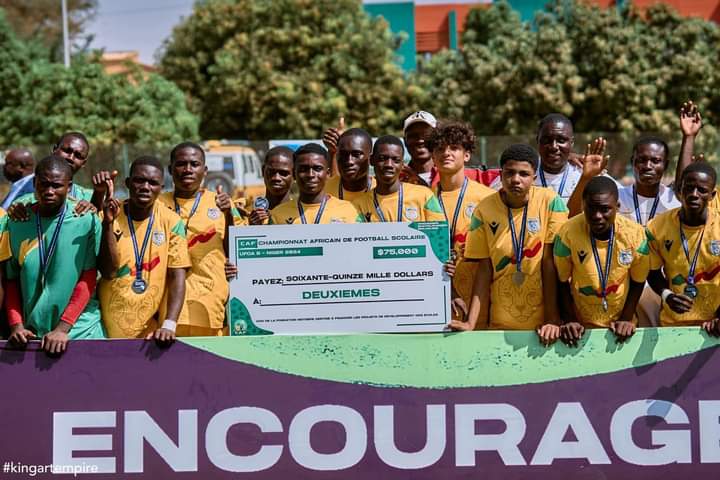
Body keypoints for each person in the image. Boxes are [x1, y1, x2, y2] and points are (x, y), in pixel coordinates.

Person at [455, 144, 568, 344]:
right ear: (501, 174)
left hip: (543, 327)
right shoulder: (483, 210)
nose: (516, 179)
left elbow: (550, 262)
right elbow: (484, 269)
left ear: (534, 177)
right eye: (510, 173)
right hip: (499, 325)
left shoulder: (551, 201)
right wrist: (471, 323)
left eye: (524, 174)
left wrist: (552, 318)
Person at [1, 156, 106, 354]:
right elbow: (11, 280)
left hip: (80, 332)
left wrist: (62, 329)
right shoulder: (16, 221)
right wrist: (16, 325)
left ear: (69, 186)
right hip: (32, 335)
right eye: (44, 184)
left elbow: (88, 278)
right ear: (34, 183)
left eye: (56, 186)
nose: (49, 191)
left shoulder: (85, 220)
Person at [154, 142, 244, 336]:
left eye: (194, 164)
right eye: (181, 164)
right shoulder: (156, 204)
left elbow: (238, 253)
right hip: (165, 312)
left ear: (205, 170)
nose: (188, 169)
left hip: (210, 308)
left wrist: (228, 214)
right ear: (170, 169)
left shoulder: (221, 203)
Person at [98, 156, 190, 344]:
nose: (145, 187)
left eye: (153, 183)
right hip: (103, 330)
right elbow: (108, 272)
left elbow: (177, 276)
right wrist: (108, 224)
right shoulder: (107, 215)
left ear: (161, 188)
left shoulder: (172, 221)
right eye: (139, 180)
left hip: (149, 332)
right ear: (128, 183)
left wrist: (169, 324)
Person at [554, 177, 650, 346]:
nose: (597, 216)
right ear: (583, 205)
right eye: (591, 208)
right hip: (580, 328)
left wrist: (626, 318)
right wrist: (570, 319)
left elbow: (638, 281)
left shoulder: (636, 235)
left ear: (617, 207)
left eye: (605, 209)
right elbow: (561, 281)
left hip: (621, 326)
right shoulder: (567, 233)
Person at [427, 121, 494, 314]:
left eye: (454, 148)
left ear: (467, 155)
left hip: (481, 305)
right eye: (440, 148)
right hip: (437, 305)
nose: (446, 153)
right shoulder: (424, 199)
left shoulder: (486, 198)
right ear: (433, 156)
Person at [647, 162, 720, 335]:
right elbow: (653, 272)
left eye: (702, 190)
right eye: (689, 188)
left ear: (712, 195)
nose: (694, 195)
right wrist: (667, 296)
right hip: (673, 325)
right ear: (680, 190)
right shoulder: (656, 227)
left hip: (714, 325)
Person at [491, 114, 609, 218]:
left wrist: (587, 178)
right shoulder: (517, 174)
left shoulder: (585, 175)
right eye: (547, 140)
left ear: (571, 143)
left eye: (561, 140)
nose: (553, 146)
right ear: (538, 141)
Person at [352, 135, 446, 223]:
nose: (389, 165)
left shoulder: (425, 196)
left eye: (396, 160)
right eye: (382, 158)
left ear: (402, 164)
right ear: (371, 160)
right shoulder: (359, 205)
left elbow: (440, 236)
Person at [269, 143, 363, 225]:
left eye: (317, 169)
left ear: (327, 174)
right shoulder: (277, 215)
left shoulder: (350, 211)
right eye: (303, 169)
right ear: (294, 174)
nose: (310, 175)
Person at [9, 131, 96, 218]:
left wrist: (96, 204)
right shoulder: (23, 203)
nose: (70, 158)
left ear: (83, 163)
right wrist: (12, 212)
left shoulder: (90, 197)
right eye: (67, 151)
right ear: (54, 149)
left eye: (78, 155)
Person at [323, 128, 376, 202]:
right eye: (343, 154)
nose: (349, 161)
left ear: (371, 158)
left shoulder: (382, 191)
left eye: (356, 154)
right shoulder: (323, 191)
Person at [248, 146, 295, 226]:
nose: (276, 178)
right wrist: (251, 229)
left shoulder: (300, 213)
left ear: (294, 175)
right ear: (263, 171)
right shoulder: (246, 210)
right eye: (271, 172)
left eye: (283, 173)